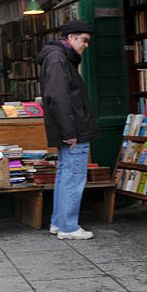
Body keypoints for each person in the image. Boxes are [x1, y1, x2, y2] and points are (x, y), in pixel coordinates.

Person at [36, 19, 100, 240]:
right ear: (71, 38)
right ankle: (68, 227)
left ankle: (59, 222)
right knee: (73, 177)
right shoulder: (58, 59)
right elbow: (59, 98)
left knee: (66, 176)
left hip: (71, 128)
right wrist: (70, 131)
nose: (86, 45)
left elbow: (61, 97)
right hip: (74, 130)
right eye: (84, 40)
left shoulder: (59, 58)